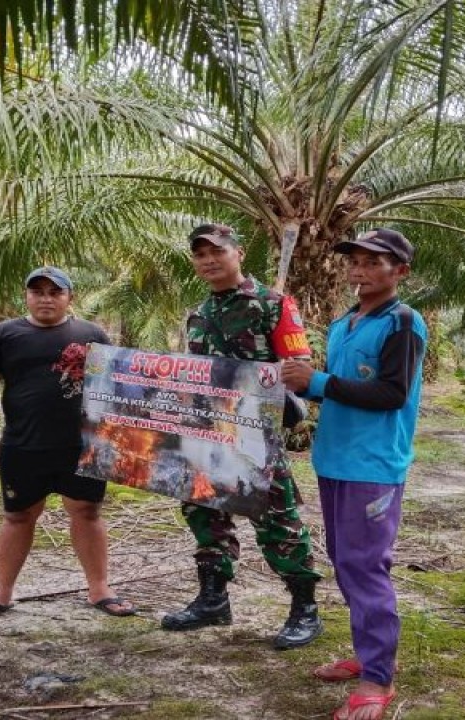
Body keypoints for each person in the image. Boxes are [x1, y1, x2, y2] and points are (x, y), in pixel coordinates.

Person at [280, 228, 426, 720]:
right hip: (334, 460)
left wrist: (318, 381)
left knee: (365, 567)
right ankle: (369, 654)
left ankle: (377, 679)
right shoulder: (346, 323)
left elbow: (392, 394)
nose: (359, 270)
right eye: (355, 261)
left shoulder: (402, 322)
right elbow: (338, 388)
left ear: (400, 271)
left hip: (373, 465)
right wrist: (300, 381)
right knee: (346, 563)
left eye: (373, 262)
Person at [160, 223, 323, 650]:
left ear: (238, 253)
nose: (209, 260)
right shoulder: (199, 314)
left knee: (277, 519)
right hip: (207, 434)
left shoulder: (273, 304)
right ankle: (213, 600)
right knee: (204, 512)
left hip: (255, 436)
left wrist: (275, 383)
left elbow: (298, 367)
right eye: (200, 254)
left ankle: (305, 608)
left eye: (217, 251)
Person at [0, 266, 136, 623]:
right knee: (17, 516)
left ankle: (100, 588)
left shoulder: (92, 334)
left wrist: (120, 441)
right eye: (37, 292)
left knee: (87, 512)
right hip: (24, 445)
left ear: (70, 298)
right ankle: (1, 593)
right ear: (26, 296)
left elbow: (115, 388)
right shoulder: (2, 335)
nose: (46, 299)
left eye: (55, 292)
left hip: (83, 445)